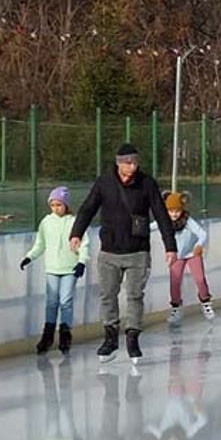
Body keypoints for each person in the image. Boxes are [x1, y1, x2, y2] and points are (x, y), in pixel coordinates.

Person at [70, 144, 177, 364]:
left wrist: (170, 246)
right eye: (129, 162)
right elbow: (88, 207)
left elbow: (161, 213)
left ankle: (132, 337)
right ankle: (110, 338)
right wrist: (76, 233)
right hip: (109, 251)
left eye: (136, 162)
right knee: (107, 295)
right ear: (119, 163)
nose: (133, 166)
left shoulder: (147, 183)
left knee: (135, 296)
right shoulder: (104, 182)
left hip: (138, 251)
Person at [21, 186, 90, 354]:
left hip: (70, 268)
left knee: (65, 301)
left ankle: (65, 334)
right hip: (52, 268)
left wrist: (81, 262)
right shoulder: (46, 222)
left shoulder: (75, 221)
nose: (56, 208)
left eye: (59, 205)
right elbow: (40, 244)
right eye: (53, 205)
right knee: (51, 302)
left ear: (66, 205)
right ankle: (48, 335)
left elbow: (84, 243)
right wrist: (29, 257)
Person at [156, 191, 214, 325]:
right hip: (176, 255)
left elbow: (202, 234)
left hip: (192, 254)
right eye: (171, 211)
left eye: (177, 211)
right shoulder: (164, 221)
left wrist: (199, 246)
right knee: (175, 282)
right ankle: (176, 307)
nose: (174, 214)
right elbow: (150, 227)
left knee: (199, 279)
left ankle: (205, 302)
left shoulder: (187, 221)